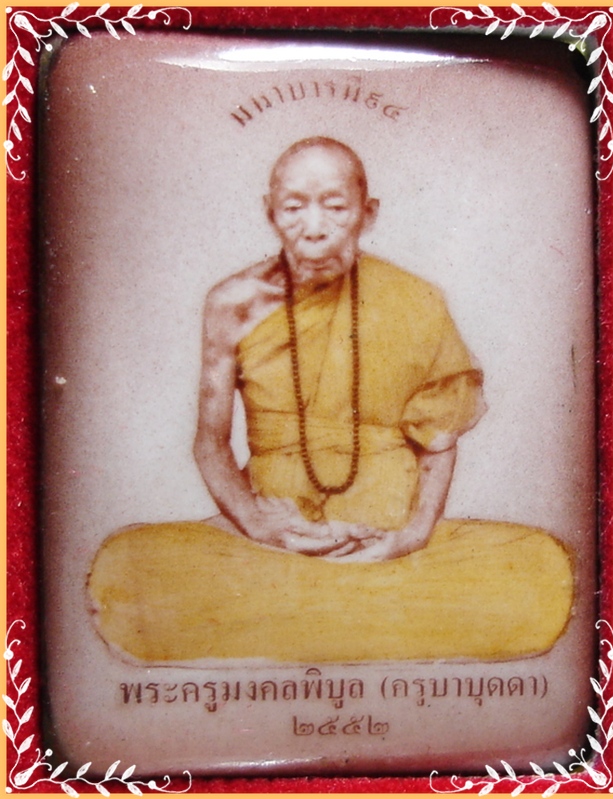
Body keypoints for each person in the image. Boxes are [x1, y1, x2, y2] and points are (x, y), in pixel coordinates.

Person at [88, 137, 573, 663]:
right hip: (276, 539)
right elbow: (210, 444)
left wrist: (411, 537)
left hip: (386, 538)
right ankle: (356, 620)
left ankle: (319, 617)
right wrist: (256, 524)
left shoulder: (416, 299)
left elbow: (438, 441)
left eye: (336, 208)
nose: (315, 228)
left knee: (536, 573)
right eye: (294, 208)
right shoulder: (233, 304)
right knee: (132, 575)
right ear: (270, 213)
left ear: (368, 213)